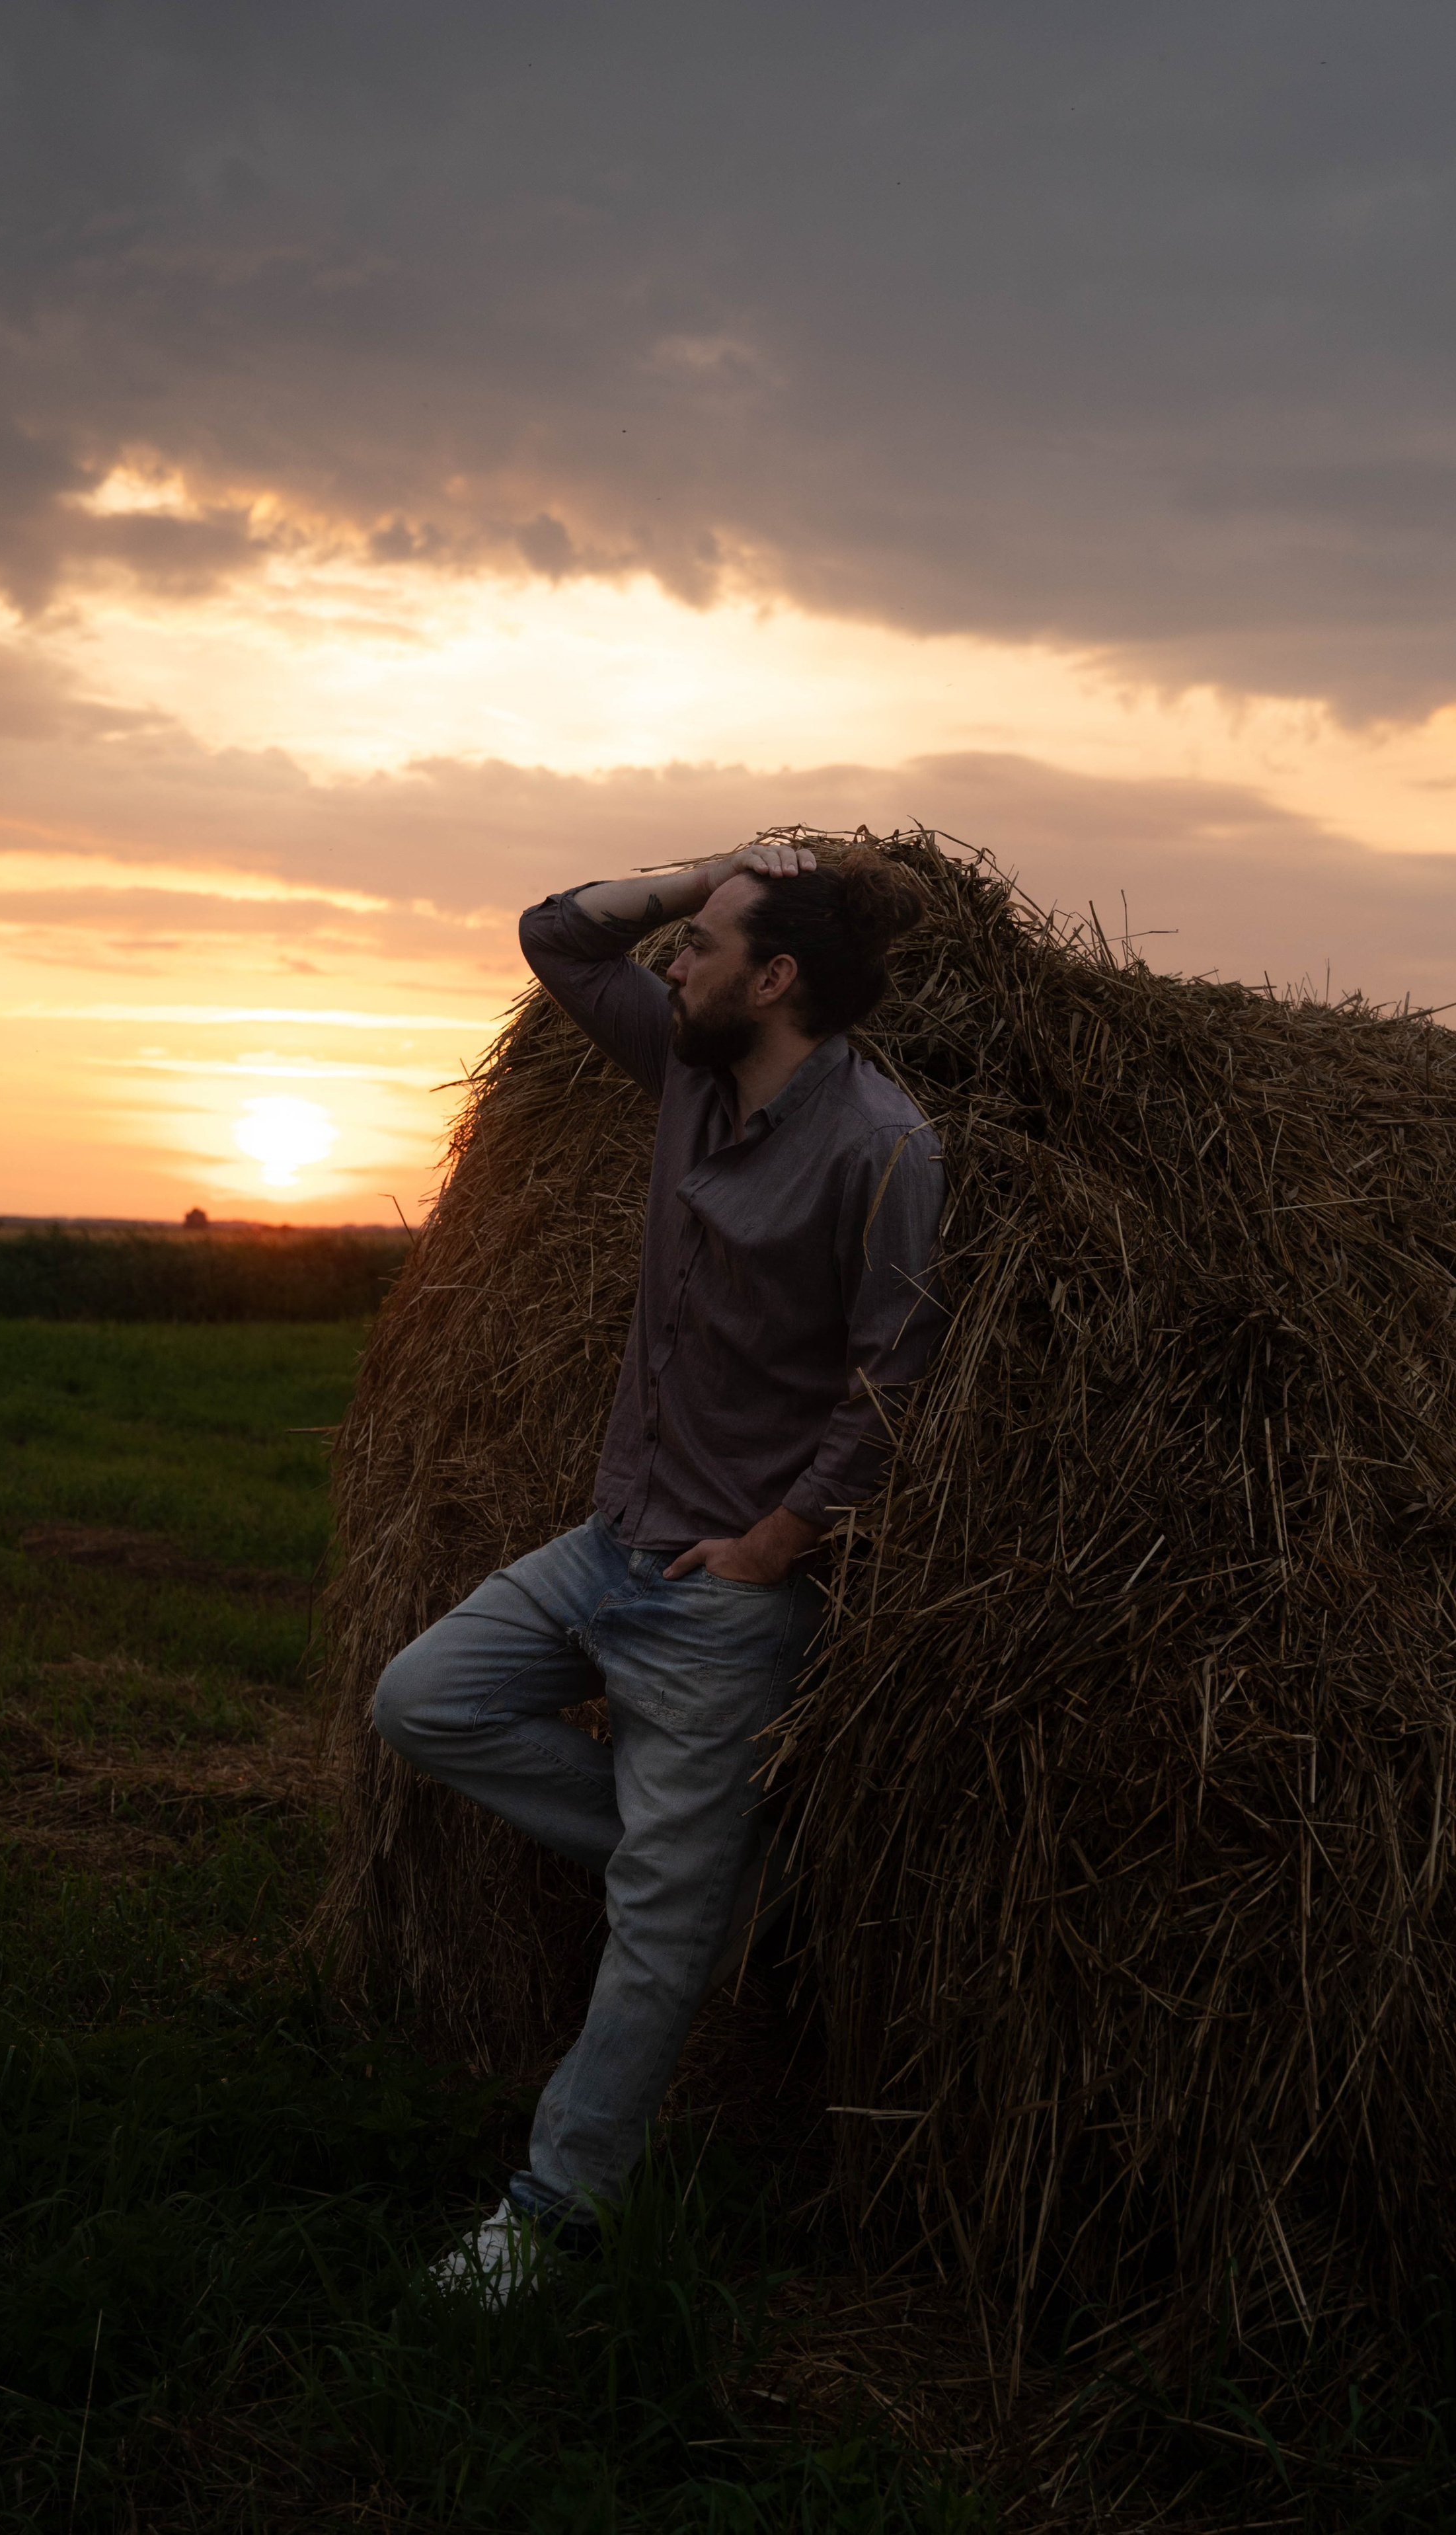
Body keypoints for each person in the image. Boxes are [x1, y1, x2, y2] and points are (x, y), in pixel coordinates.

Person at [372, 835, 946, 2298]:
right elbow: (556, 938)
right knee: (420, 1700)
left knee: (650, 1938)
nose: (676, 957)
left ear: (778, 980)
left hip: (718, 1599)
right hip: (605, 1541)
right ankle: (712, 1874)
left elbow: (891, 1380)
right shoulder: (689, 1073)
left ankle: (557, 2212)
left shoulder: (883, 1149)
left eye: (708, 941)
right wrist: (711, 868)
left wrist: (770, 1547)